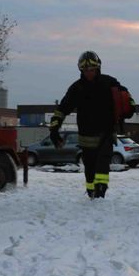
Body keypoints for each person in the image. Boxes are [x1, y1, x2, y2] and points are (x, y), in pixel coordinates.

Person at [48, 50, 124, 199]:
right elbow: (62, 109)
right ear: (81, 70)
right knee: (89, 170)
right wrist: (54, 129)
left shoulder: (109, 83)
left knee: (102, 167)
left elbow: (126, 98)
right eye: (86, 70)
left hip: (105, 134)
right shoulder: (77, 88)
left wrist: (128, 107)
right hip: (86, 138)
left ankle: (100, 193)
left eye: (92, 69)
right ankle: (91, 192)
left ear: (98, 68)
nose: (89, 72)